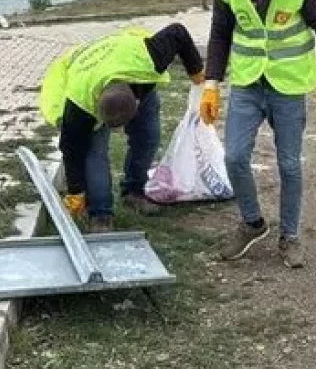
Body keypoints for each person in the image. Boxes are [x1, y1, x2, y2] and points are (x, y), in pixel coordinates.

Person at [199, 0, 316, 268]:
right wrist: (211, 84)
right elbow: (220, 34)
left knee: (289, 165)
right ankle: (252, 223)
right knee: (233, 157)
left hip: (288, 87)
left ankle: (290, 236)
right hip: (248, 83)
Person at [38, 23, 205, 233]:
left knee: (148, 136)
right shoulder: (79, 107)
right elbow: (71, 150)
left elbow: (178, 31)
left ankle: (134, 191)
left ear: (136, 102)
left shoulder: (150, 59)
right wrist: (76, 192)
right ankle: (100, 214)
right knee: (94, 153)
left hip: (126, 57)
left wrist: (197, 73)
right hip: (81, 72)